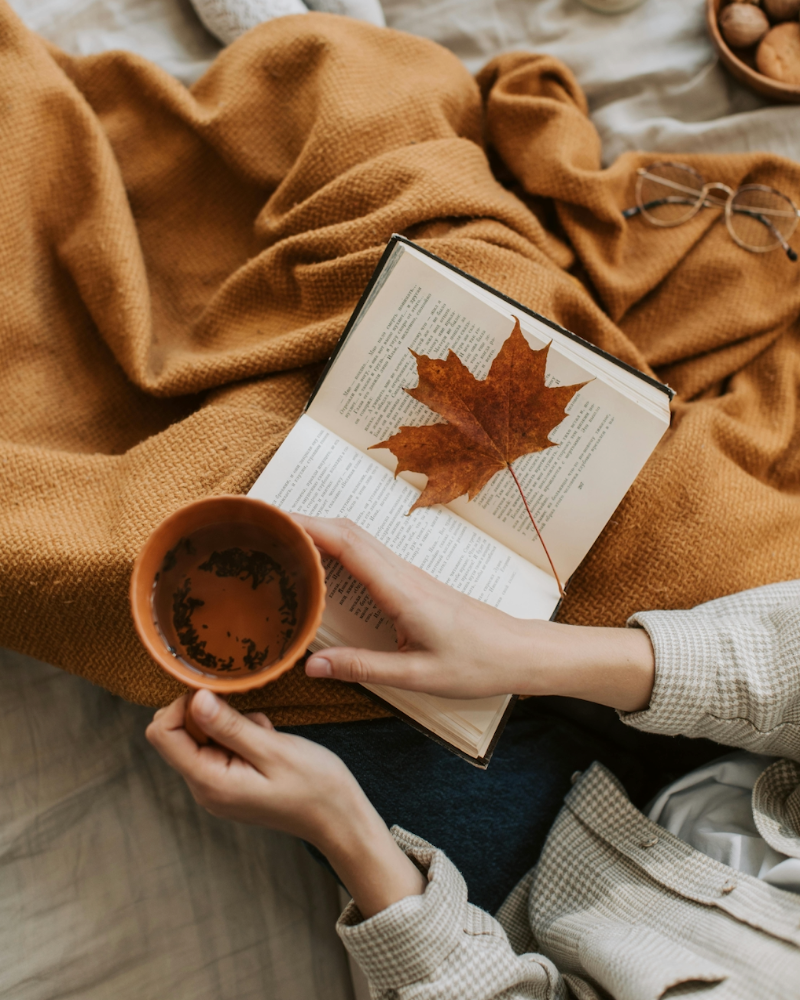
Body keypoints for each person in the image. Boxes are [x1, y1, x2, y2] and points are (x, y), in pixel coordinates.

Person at [147, 516, 800, 998]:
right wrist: (523, 650)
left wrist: (342, 824)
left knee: (266, 671)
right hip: (732, 720)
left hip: (540, 897)